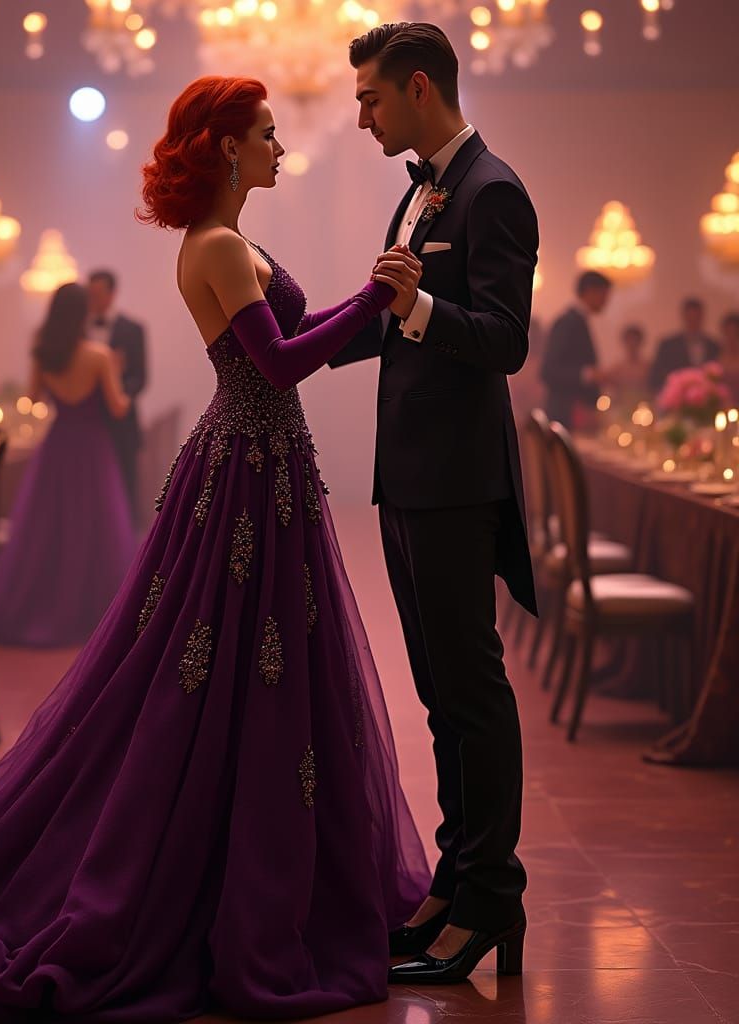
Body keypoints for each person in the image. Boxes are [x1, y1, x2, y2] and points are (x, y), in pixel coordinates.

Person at [0, 75, 431, 1021]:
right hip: (246, 473)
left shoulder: (235, 241)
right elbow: (278, 364)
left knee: (255, 670)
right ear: (227, 147)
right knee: (213, 673)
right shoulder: (216, 245)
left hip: (265, 467)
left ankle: (268, 875)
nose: (281, 147)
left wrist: (379, 309)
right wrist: (375, 298)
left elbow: (297, 335)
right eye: (267, 134)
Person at [330, 22, 536, 984]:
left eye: (370, 98)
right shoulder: (418, 189)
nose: (361, 117)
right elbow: (392, 319)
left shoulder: (494, 191)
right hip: (409, 478)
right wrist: (289, 341)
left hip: (457, 482)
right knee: (439, 695)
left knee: (473, 694)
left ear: (419, 88)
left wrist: (413, 306)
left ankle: (493, 898)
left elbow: (503, 340)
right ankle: (455, 884)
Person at [0, 283, 138, 647]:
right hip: (92, 448)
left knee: (49, 528)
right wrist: (120, 376)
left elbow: (32, 398)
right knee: (94, 526)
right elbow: (118, 408)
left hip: (57, 446)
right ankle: (95, 614)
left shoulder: (45, 354)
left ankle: (42, 606)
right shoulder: (99, 356)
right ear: (83, 313)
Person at [86, 269, 148, 525]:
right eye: (90, 294)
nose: (93, 299)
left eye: (98, 294)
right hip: (87, 422)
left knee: (124, 488)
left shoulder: (133, 329)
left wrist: (116, 388)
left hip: (122, 424)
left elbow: (140, 379)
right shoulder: (78, 329)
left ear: (112, 294)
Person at [540, 270, 611, 428]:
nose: (606, 301)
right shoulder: (568, 322)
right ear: (590, 291)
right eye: (604, 294)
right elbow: (548, 370)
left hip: (574, 415)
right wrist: (589, 374)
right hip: (566, 414)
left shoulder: (579, 321)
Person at [649, 296, 721, 395]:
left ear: (702, 317)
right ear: (683, 317)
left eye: (696, 317)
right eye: (690, 317)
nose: (693, 321)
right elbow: (657, 376)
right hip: (676, 399)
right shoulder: (668, 345)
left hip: (708, 399)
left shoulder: (714, 345)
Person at [601, 323, 651, 409]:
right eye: (629, 340)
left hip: (644, 409)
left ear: (640, 342)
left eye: (635, 340)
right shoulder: (617, 368)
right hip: (622, 409)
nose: (632, 344)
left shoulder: (648, 367)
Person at [719, 312, 739, 398]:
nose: (731, 336)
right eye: (728, 332)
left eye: (734, 332)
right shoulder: (717, 354)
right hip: (722, 402)